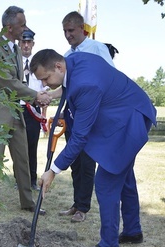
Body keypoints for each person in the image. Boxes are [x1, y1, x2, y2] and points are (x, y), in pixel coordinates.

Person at [30, 49, 156, 247]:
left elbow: (79, 137)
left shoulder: (86, 84)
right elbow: (71, 86)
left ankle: (109, 245)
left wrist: (53, 171)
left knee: (107, 182)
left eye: (46, 78)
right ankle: (133, 231)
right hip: (129, 110)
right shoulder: (73, 61)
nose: (44, 84)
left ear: (58, 67)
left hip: (130, 120)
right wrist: (53, 94)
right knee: (124, 178)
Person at [0, 5, 51, 214]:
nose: (25, 28)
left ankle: (28, 202)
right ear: (9, 27)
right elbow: (7, 81)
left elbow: (16, 82)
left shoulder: (15, 49)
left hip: (15, 112)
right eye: (22, 24)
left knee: (22, 159)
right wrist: (35, 95)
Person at [60, 11, 115, 223]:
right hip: (72, 113)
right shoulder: (67, 55)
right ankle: (76, 203)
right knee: (74, 160)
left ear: (82, 28)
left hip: (90, 113)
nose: (67, 35)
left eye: (70, 30)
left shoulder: (97, 49)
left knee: (86, 161)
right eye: (64, 31)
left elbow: (110, 77)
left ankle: (84, 207)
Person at [18, 28, 47, 191]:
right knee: (18, 148)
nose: (26, 45)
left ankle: (33, 180)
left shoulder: (39, 64)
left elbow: (45, 86)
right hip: (17, 108)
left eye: (29, 42)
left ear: (33, 44)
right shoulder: (14, 63)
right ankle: (20, 180)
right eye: (23, 42)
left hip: (33, 110)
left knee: (32, 146)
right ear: (19, 43)